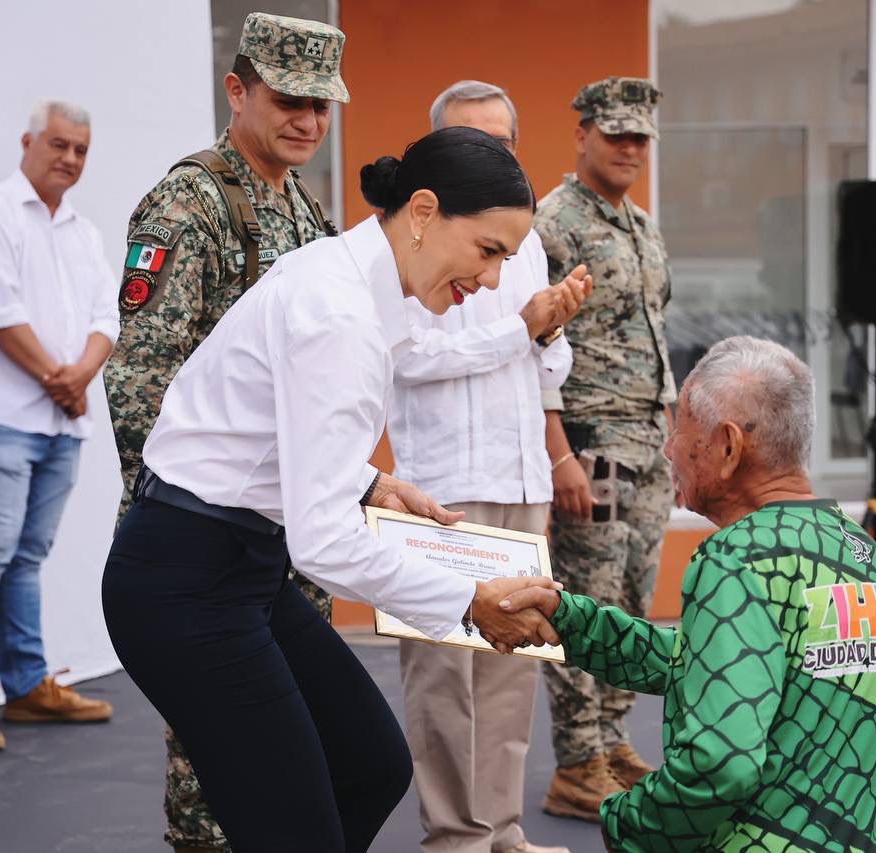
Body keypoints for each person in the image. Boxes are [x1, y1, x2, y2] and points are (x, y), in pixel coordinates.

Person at [102, 126, 563, 853]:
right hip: (185, 581)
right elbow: (322, 542)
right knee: (297, 829)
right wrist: (468, 603)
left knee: (370, 764)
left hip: (237, 563)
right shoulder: (340, 313)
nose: (496, 280)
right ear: (421, 211)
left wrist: (370, 481)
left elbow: (262, 426)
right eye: (489, 250)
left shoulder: (350, 278)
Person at [498, 336, 876, 852]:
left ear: (729, 447)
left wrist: (629, 821)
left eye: (682, 428)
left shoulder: (737, 557)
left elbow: (720, 764)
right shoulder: (856, 547)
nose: (669, 448)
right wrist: (573, 623)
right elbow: (726, 664)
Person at [102, 13, 344, 851]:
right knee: (214, 767)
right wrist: (178, 524)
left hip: (286, 530)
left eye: (321, 106)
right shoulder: (191, 200)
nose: (308, 121)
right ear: (236, 90)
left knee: (292, 752)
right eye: (289, 100)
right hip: (211, 534)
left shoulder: (304, 209)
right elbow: (140, 375)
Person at [390, 80, 591, 853]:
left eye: (504, 143)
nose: (493, 157)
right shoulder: (407, 238)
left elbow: (550, 364)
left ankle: (502, 831)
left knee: (513, 667)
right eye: (475, 141)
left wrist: (549, 328)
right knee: (443, 675)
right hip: (441, 486)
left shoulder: (527, 236)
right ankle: (454, 836)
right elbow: (409, 359)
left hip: (519, 482)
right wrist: (521, 328)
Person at [0, 100, 119, 752]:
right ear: (28, 141)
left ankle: (28, 683)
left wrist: (78, 378)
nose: (69, 158)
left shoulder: (84, 232)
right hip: (5, 418)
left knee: (27, 557)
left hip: (62, 427)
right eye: (59, 144)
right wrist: (61, 382)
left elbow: (106, 318)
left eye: (80, 150)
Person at [533, 76, 676, 820]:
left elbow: (653, 331)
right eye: (614, 133)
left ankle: (613, 740)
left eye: (639, 137)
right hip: (591, 441)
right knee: (585, 604)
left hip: (648, 443)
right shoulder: (551, 223)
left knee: (631, 602)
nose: (627, 147)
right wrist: (559, 451)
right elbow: (535, 347)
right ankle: (576, 757)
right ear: (582, 133)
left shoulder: (641, 223)